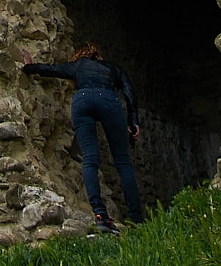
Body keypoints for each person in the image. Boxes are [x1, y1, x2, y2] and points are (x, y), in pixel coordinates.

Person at [20, 42, 144, 232]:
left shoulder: (76, 66)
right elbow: (129, 92)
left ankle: (101, 216)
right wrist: (133, 121)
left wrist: (29, 66)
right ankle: (136, 219)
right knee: (123, 162)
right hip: (108, 98)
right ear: (98, 57)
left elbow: (51, 70)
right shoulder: (113, 68)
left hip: (83, 99)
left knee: (90, 159)